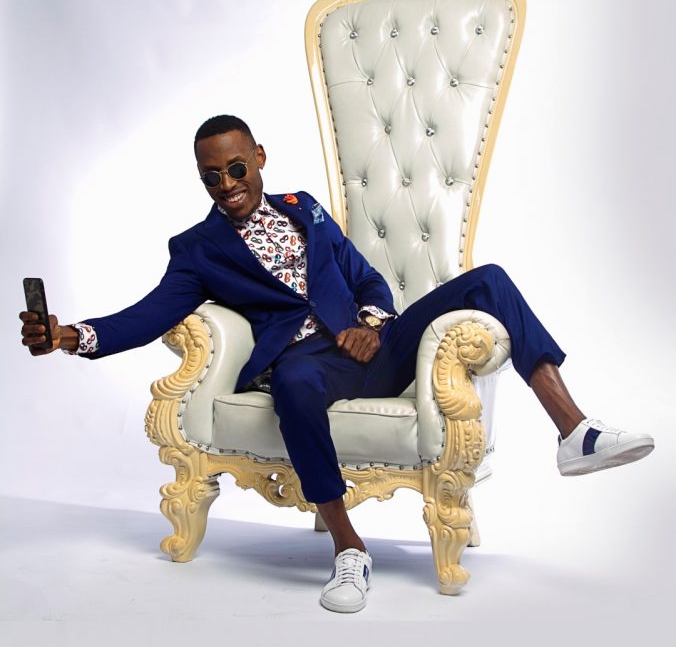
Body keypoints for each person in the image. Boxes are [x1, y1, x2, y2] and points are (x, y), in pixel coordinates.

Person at [20, 114, 655, 614]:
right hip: (306, 362)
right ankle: (349, 550)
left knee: (489, 279)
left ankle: (574, 431)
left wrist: (372, 326)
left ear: (258, 158)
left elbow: (367, 278)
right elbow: (147, 314)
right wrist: (70, 335)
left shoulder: (305, 208)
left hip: (373, 347)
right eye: (211, 177)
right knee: (293, 383)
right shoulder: (197, 250)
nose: (227, 185)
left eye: (236, 168)